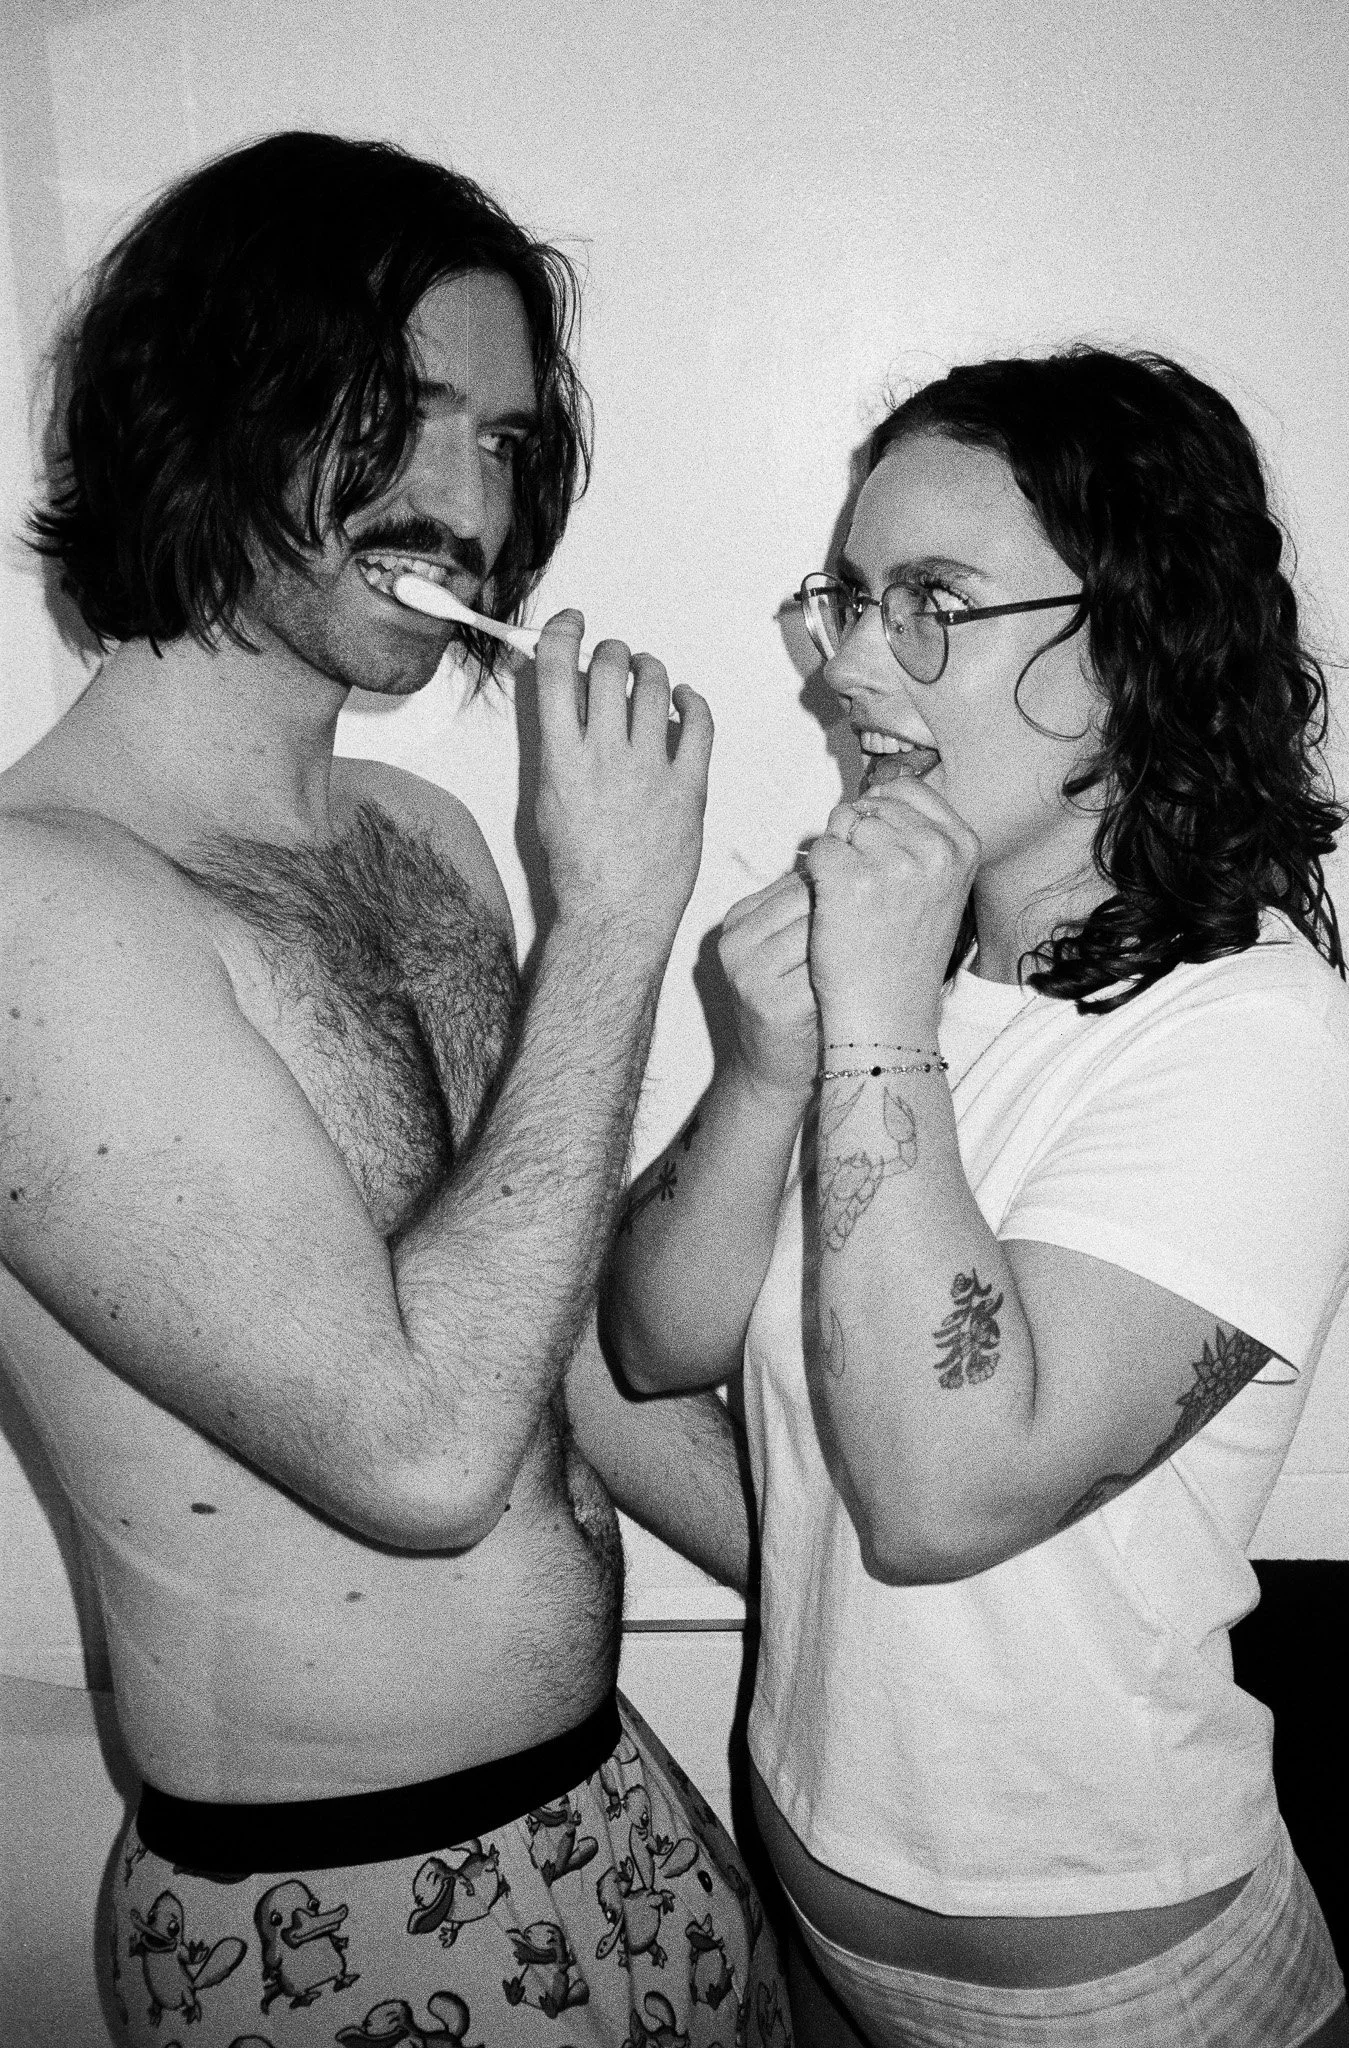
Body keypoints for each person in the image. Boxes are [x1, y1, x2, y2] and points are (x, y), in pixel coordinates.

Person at [0, 131, 790, 2048]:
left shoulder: (421, 835)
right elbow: (421, 1457)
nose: (468, 504)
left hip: (620, 1814)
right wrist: (614, 925)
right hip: (338, 1918)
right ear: (204, 404)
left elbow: (549, 1354)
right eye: (400, 414)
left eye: (505, 441)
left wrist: (872, 1607)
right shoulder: (38, 906)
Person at [605, 346, 1349, 2047]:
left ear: (1134, 644)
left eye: (932, 602)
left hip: (1116, 1987)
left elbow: (942, 1500)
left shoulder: (1257, 1039)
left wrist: (871, 1018)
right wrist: (765, 1070)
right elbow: (650, 1346)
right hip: (812, 1894)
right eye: (850, 600)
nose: (847, 668)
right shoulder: (912, 979)